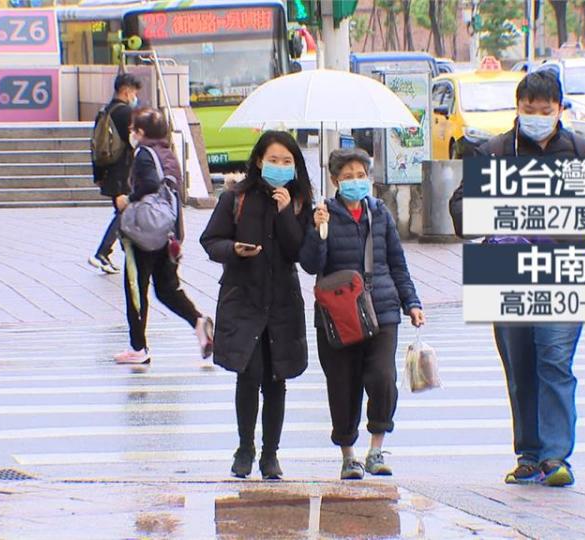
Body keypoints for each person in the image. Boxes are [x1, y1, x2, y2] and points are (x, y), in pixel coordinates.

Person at [449, 69, 585, 487]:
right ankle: (529, 454)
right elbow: (461, 208)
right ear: (517, 109)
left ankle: (555, 456)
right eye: (528, 109)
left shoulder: (582, 153)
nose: (536, 116)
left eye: (544, 110)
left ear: (560, 110)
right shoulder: (495, 151)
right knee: (520, 364)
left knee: (554, 359)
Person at [300, 148, 425, 481]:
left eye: (361, 176)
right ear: (334, 180)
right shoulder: (323, 213)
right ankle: (348, 455)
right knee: (343, 384)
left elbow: (397, 262)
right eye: (347, 177)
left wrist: (411, 303)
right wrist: (319, 231)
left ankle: (376, 449)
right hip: (338, 314)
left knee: (383, 378)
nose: (356, 182)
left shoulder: (379, 212)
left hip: (381, 307)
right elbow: (311, 264)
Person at [200, 131, 313, 480]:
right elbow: (211, 240)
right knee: (248, 377)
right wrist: (233, 250)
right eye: (273, 160)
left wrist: (284, 213)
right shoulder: (236, 197)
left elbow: (301, 253)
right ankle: (245, 447)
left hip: (282, 303)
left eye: (287, 161)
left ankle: (270, 455)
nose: (279, 167)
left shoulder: (298, 202)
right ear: (259, 161)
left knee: (276, 379)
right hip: (244, 298)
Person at [113, 108, 214, 365]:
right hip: (167, 231)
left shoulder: (145, 154)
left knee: (136, 288)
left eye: (133, 129)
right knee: (167, 289)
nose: (131, 133)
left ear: (142, 132)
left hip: (145, 233)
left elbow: (147, 185)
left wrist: (128, 199)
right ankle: (199, 322)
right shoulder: (167, 154)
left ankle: (138, 348)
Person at [89, 73, 142, 274]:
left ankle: (123, 254)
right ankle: (103, 252)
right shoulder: (126, 113)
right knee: (124, 212)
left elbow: (95, 146)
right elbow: (135, 142)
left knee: (123, 213)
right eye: (134, 93)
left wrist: (98, 175)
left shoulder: (104, 111)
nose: (135, 96)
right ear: (126, 91)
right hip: (123, 170)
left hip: (108, 170)